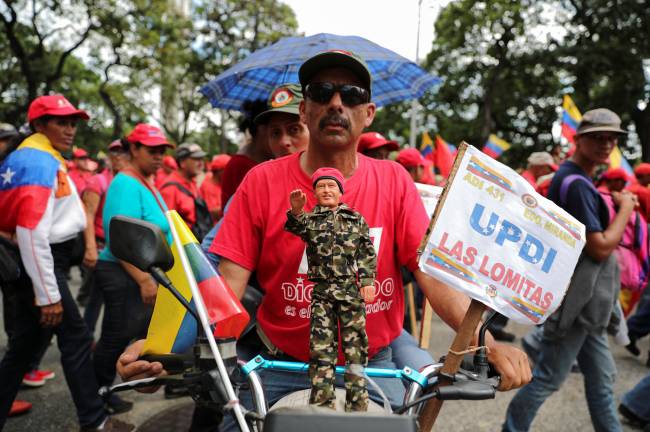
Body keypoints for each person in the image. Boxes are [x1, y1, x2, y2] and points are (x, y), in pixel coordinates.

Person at [117, 50, 530, 429]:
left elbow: (430, 276)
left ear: (368, 114)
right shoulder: (261, 182)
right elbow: (224, 285)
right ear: (305, 109)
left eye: (350, 95)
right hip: (279, 367)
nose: (336, 103)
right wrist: (160, 351)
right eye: (322, 92)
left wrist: (484, 343)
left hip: (374, 365)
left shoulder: (394, 181)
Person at [0, 94, 132, 431]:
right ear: (39, 125)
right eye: (62, 122)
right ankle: (95, 420)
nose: (71, 129)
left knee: (23, 348)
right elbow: (31, 231)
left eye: (73, 122)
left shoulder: (33, 156)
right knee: (74, 339)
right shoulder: (39, 160)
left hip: (37, 260)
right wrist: (48, 295)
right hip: (41, 261)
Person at [503, 108, 636, 432]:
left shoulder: (572, 178)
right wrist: (626, 209)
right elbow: (600, 246)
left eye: (612, 138)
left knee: (602, 378)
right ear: (579, 140)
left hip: (584, 299)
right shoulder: (576, 184)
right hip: (578, 300)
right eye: (598, 138)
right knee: (549, 377)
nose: (606, 144)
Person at [92, 124, 173, 415]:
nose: (159, 156)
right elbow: (119, 239)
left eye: (162, 151)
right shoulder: (125, 182)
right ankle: (98, 395)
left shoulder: (145, 181)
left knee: (128, 334)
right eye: (152, 150)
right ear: (134, 149)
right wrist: (143, 279)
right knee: (116, 335)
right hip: (122, 271)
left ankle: (105, 392)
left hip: (139, 273)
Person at [285, 167, 376, 411]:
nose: (326, 190)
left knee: (355, 347)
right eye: (321, 187)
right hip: (322, 293)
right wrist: (296, 210)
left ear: (340, 191)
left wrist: (367, 282)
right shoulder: (310, 220)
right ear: (314, 192)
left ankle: (357, 402)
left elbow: (366, 252)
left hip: (349, 291)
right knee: (321, 348)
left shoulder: (355, 219)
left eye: (331, 186)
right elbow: (295, 226)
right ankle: (322, 403)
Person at [80, 139, 130, 334]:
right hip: (102, 248)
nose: (118, 156)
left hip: (124, 251)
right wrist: (91, 248)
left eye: (123, 152)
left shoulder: (130, 180)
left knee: (117, 301)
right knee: (96, 298)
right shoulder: (98, 180)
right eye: (114, 151)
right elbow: (88, 215)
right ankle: (87, 338)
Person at [220, 100, 273, 212]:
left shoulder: (261, 161)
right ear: (262, 130)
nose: (284, 142)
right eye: (276, 132)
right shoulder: (242, 166)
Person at [160, 142, 212, 240]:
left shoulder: (192, 182)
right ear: (182, 162)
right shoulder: (170, 188)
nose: (201, 163)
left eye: (201, 159)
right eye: (196, 159)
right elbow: (167, 227)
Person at [255, 83, 310, 158]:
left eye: (294, 129)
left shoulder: (330, 168)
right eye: (276, 133)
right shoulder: (262, 170)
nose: (284, 142)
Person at [200, 154, 231, 221]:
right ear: (220, 171)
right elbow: (210, 213)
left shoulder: (222, 183)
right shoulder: (207, 186)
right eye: (229, 169)